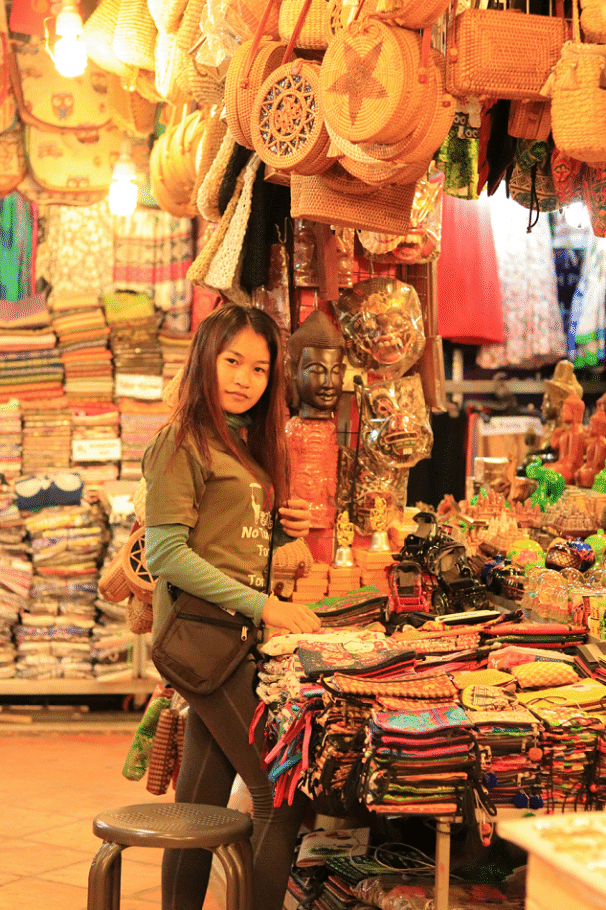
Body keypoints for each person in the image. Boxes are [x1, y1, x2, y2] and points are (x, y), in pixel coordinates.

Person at [142, 303, 322, 910]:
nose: (245, 378)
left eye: (260, 369)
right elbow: (166, 554)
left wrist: (283, 528)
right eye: (232, 361)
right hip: (201, 637)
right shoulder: (180, 441)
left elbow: (228, 540)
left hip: (227, 641)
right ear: (205, 361)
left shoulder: (245, 443)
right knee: (281, 794)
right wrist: (265, 606)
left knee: (198, 806)